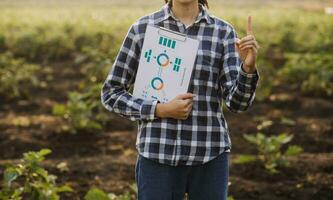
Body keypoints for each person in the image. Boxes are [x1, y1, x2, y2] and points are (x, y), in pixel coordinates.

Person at [101, 0, 260, 199]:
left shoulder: (223, 32)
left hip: (209, 154)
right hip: (157, 154)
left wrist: (248, 68)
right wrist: (159, 110)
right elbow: (111, 92)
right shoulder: (143, 29)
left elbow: (238, 103)